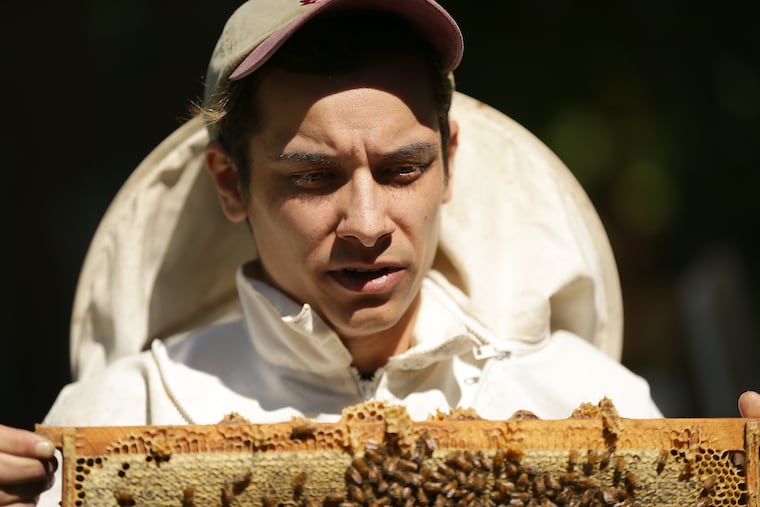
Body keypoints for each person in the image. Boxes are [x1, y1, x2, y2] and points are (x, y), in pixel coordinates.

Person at [1, 1, 755, 505]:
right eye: (314, 177)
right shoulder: (119, 416)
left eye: (402, 170)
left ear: (450, 161)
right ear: (231, 182)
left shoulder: (598, 407)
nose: (366, 221)